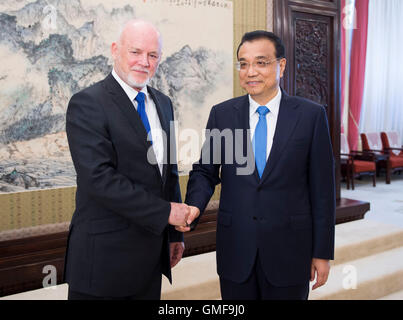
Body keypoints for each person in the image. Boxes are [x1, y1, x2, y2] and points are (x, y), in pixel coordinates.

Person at [180, 30, 336, 300]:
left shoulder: (311, 116)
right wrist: (194, 205)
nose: (250, 71)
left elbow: (323, 190)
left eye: (261, 62)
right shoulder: (223, 114)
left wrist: (322, 252)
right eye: (243, 63)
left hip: (291, 251)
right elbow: (205, 171)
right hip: (236, 249)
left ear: (281, 65)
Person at [64, 19, 189, 300]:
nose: (144, 62)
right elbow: (99, 179)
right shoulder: (87, 103)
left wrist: (173, 234)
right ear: (115, 50)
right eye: (135, 52)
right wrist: (166, 213)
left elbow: (167, 173)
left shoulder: (163, 103)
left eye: (152, 55)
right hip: (103, 264)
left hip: (150, 259)